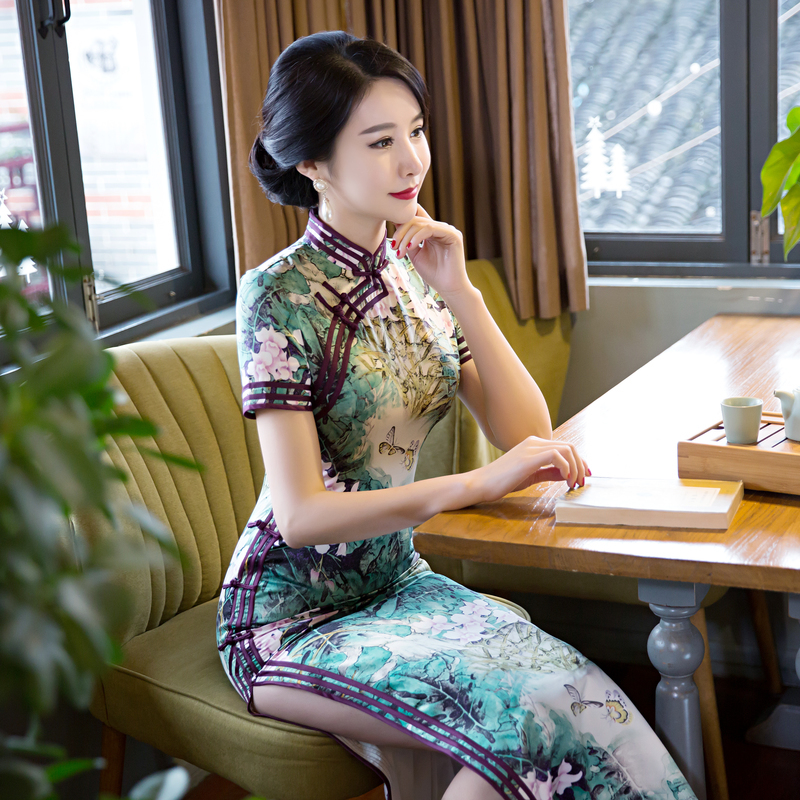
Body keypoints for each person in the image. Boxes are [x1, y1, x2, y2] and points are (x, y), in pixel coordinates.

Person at [216, 30, 697, 800]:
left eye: (416, 132)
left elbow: (527, 434)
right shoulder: (277, 294)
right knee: (528, 726)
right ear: (312, 163)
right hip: (290, 616)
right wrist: (473, 485)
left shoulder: (416, 272)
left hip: (397, 583)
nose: (413, 161)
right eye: (381, 142)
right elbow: (302, 517)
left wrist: (461, 291)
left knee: (586, 699)